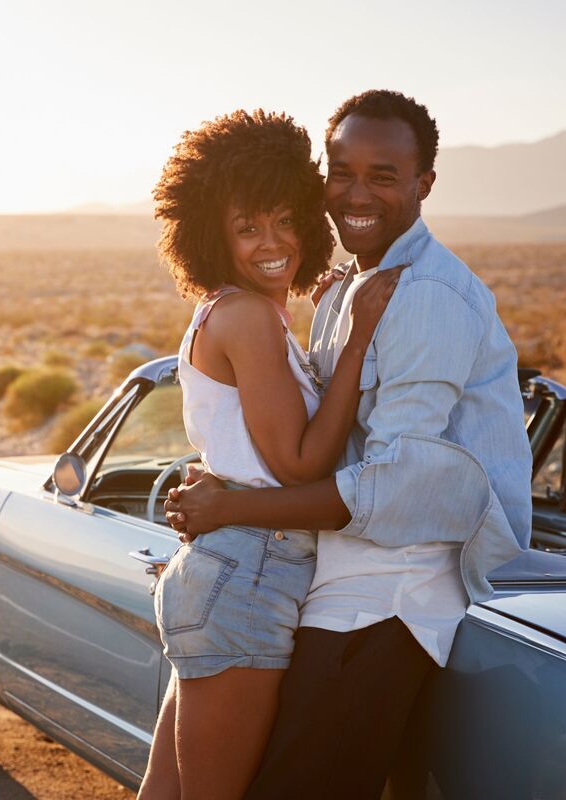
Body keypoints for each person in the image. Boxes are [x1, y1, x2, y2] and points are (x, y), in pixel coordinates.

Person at [163, 90, 532, 799]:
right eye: (341, 172)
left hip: (381, 602)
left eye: (383, 175)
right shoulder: (347, 293)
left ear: (424, 183)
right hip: (314, 591)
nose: (355, 193)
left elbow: (395, 485)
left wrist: (229, 510)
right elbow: (300, 437)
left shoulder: (420, 296)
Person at [138, 109, 404, 800]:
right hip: (249, 575)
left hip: (231, 570)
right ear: (210, 234)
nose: (272, 243)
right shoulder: (248, 318)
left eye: (286, 221)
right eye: (247, 226)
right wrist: (358, 339)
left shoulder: (244, 312)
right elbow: (300, 465)